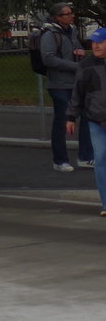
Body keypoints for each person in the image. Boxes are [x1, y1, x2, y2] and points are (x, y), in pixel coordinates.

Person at [41, 2, 94, 171]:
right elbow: (48, 59)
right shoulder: (49, 34)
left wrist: (80, 53)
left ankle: (85, 156)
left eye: (72, 12)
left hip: (75, 83)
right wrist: (74, 66)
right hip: (59, 84)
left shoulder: (71, 31)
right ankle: (60, 161)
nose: (72, 16)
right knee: (63, 121)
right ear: (58, 17)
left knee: (86, 116)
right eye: (68, 14)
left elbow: (76, 48)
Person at [67, 26, 106, 216]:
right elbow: (78, 91)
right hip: (95, 119)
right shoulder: (86, 64)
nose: (96, 46)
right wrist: (71, 116)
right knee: (101, 158)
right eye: (93, 42)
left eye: (100, 42)